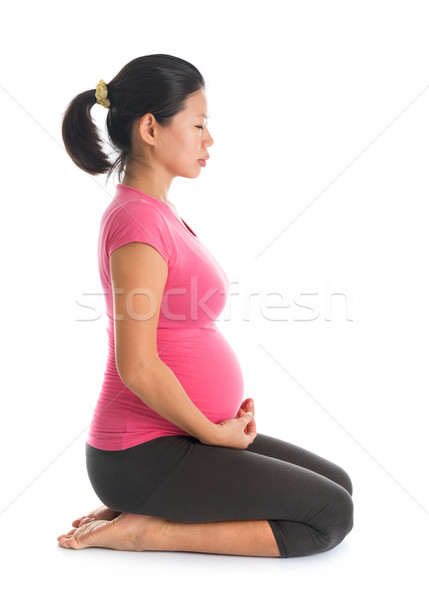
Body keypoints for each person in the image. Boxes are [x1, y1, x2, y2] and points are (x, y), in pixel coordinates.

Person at [57, 54, 353, 558]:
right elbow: (138, 364)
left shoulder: (157, 213)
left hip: (180, 439)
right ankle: (149, 530)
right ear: (151, 128)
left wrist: (214, 429)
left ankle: (146, 508)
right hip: (142, 453)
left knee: (338, 484)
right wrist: (213, 435)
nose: (208, 140)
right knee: (330, 517)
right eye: (198, 125)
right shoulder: (136, 225)